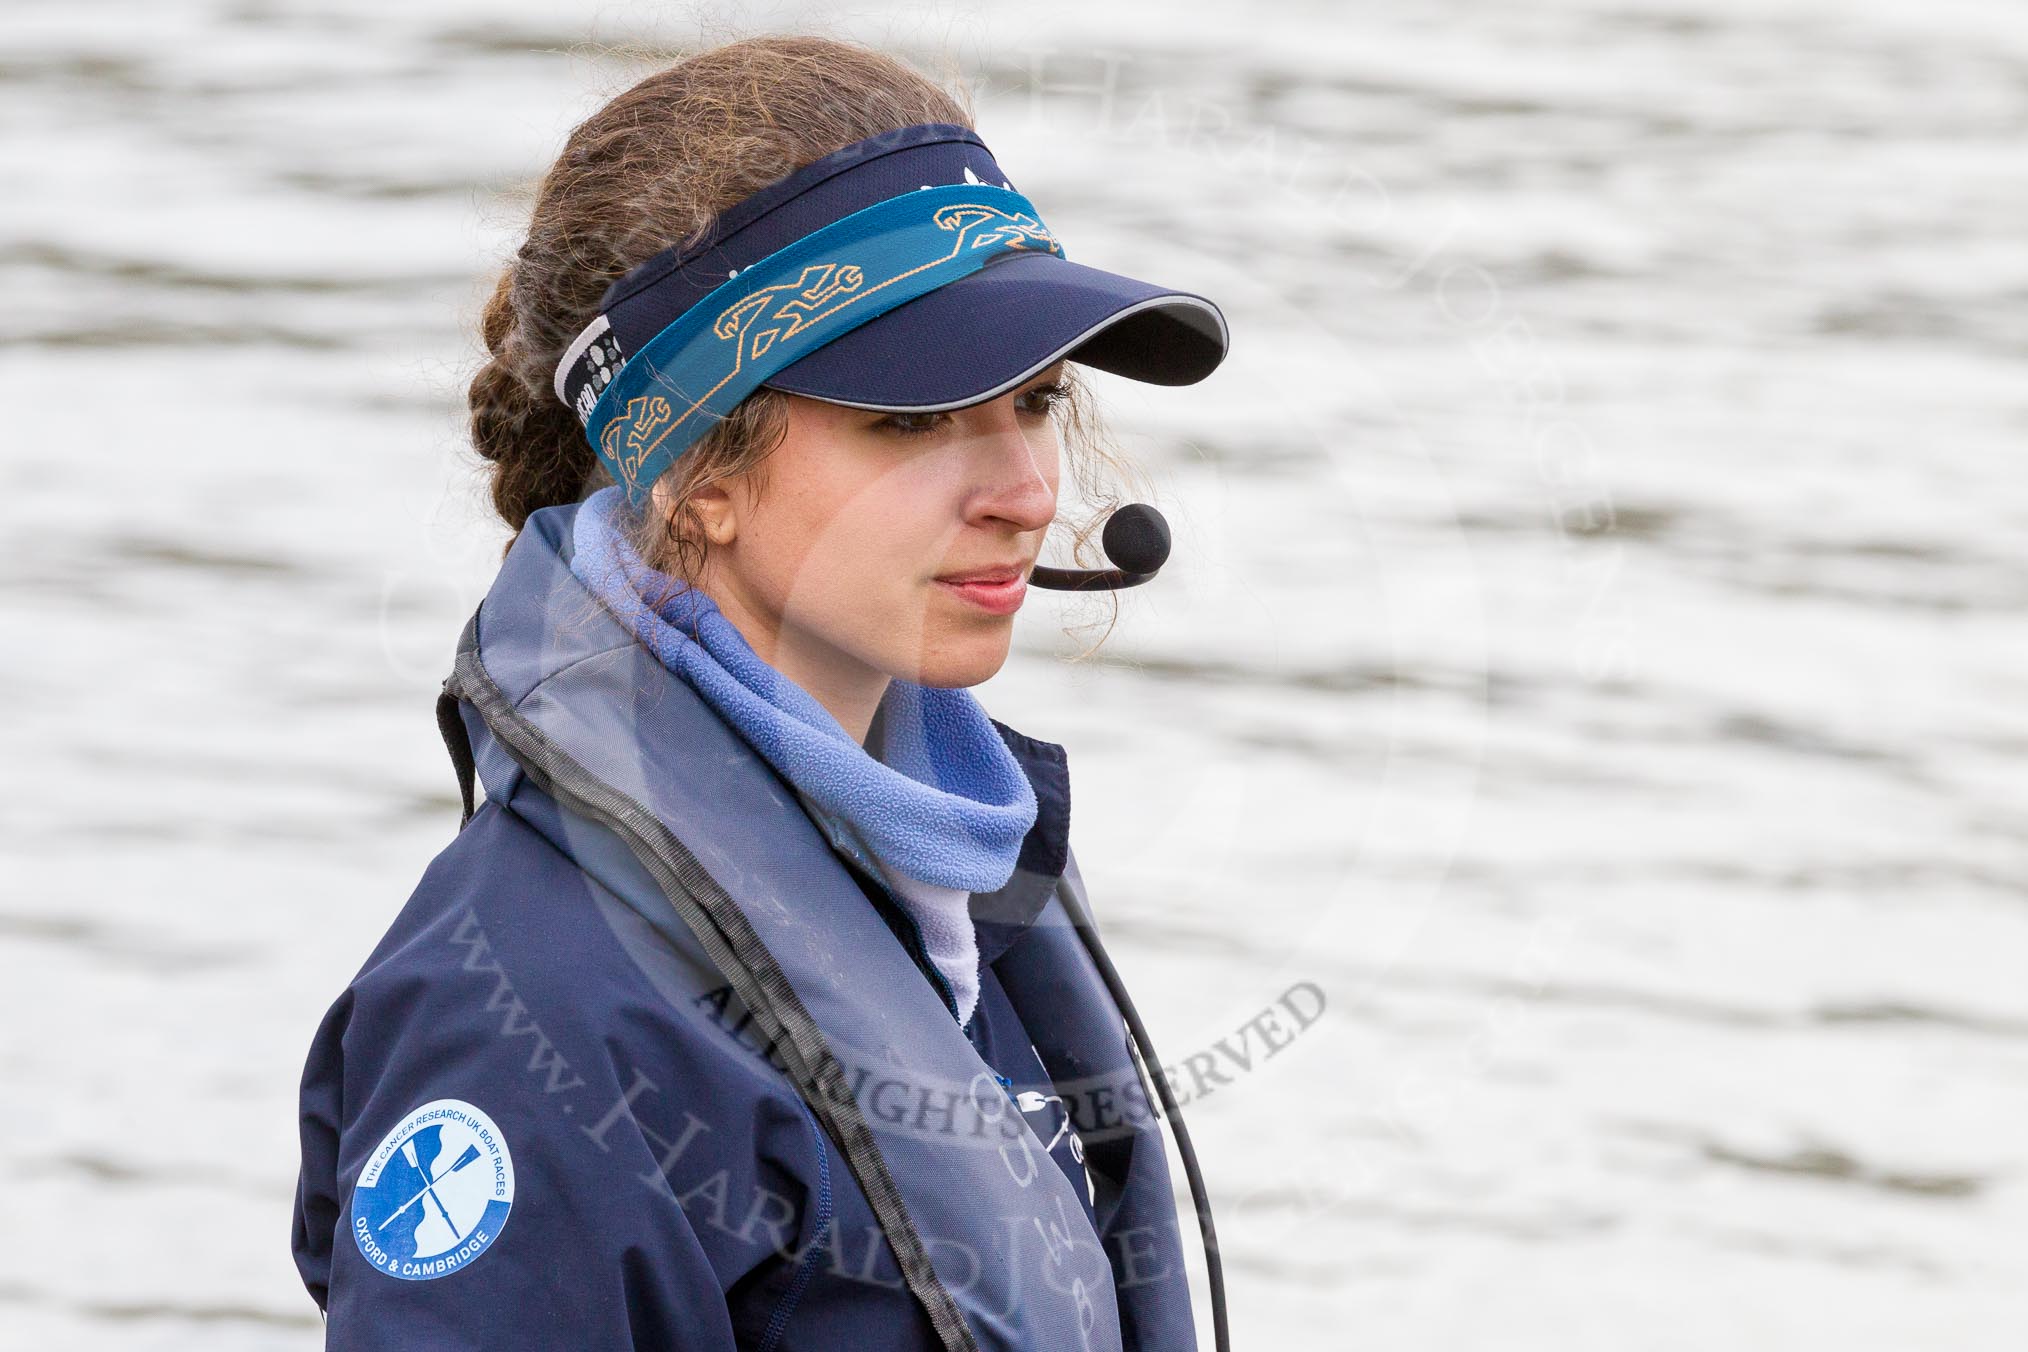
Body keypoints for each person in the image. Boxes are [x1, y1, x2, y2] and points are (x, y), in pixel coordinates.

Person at [291, 34, 1229, 1352]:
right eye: (912, 419)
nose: (1026, 490)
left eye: (1035, 401)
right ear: (695, 472)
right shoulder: (527, 1010)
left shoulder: (957, 862)